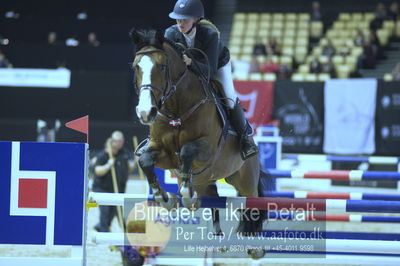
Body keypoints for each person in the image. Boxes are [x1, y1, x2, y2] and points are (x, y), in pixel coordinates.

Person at [164, 0, 258, 160]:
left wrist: (190, 62)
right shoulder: (170, 34)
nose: (180, 23)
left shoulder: (209, 34)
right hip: (189, 70)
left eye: (185, 19)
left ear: (195, 19)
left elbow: (210, 72)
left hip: (216, 66)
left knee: (229, 96)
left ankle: (246, 139)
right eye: (178, 19)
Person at [93, 131, 135, 232]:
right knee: (105, 211)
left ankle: (102, 227)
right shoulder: (103, 155)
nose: (118, 143)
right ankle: (104, 231)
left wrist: (136, 161)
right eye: (116, 141)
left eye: (120, 141)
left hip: (118, 188)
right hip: (102, 188)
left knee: (115, 211)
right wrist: (108, 165)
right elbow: (97, 171)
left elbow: (128, 168)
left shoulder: (123, 153)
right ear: (112, 141)